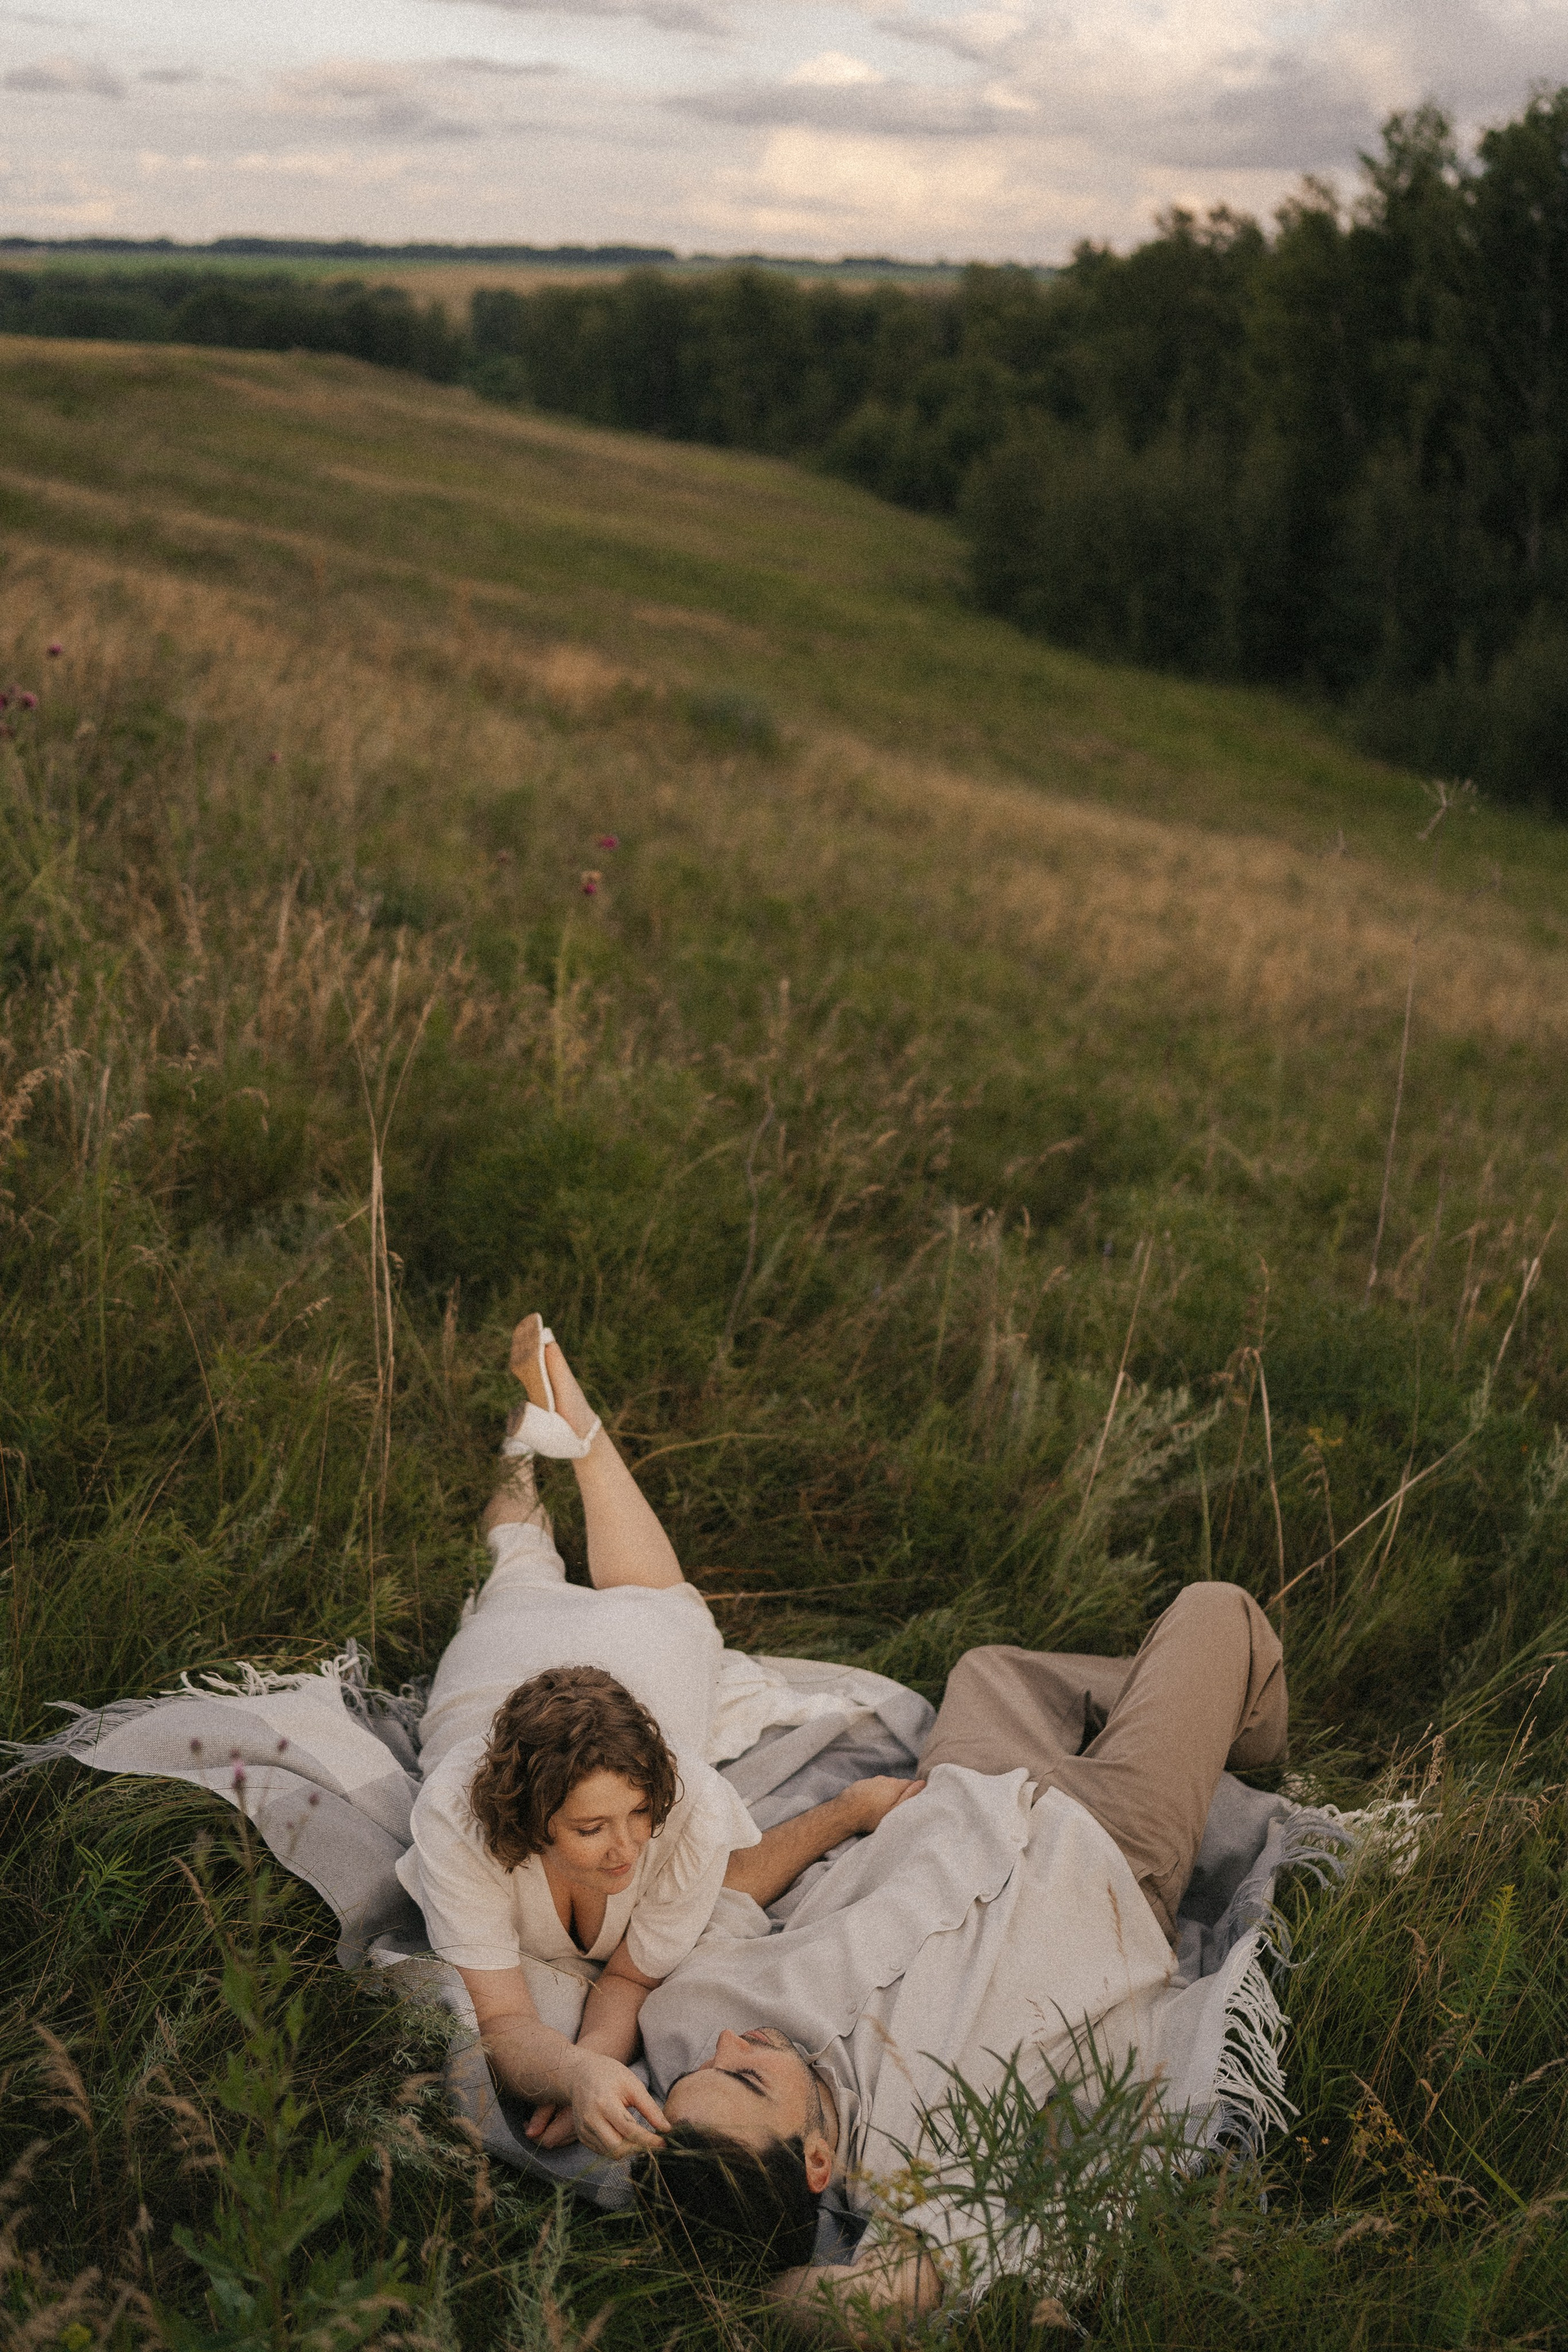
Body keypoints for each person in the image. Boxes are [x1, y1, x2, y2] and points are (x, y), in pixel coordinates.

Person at [633, 1580, 1289, 2329]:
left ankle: (1199, 1705)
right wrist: (754, 2299)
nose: (727, 2043)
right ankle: (1244, 1727)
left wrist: (849, 1811)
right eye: (746, 2076)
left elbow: (716, 1897)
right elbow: (872, 2301)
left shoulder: (690, 2016)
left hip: (952, 1798)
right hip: (1111, 1848)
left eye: (702, 2067)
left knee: (988, 1669)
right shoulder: (915, 2167)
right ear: (816, 2160)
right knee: (1216, 1610)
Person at [397, 1316, 920, 2162]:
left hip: (635, 1667)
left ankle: (562, 1437)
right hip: (494, 1675)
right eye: (590, 1829)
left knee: (662, 1613)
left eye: (639, 1814)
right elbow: (503, 2022)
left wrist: (588, 2067)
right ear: (527, 1822)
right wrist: (573, 2071)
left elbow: (629, 1979)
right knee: (519, 1571)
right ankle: (522, 1452)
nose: (628, 1849)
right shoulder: (460, 1822)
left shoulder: (688, 1808)